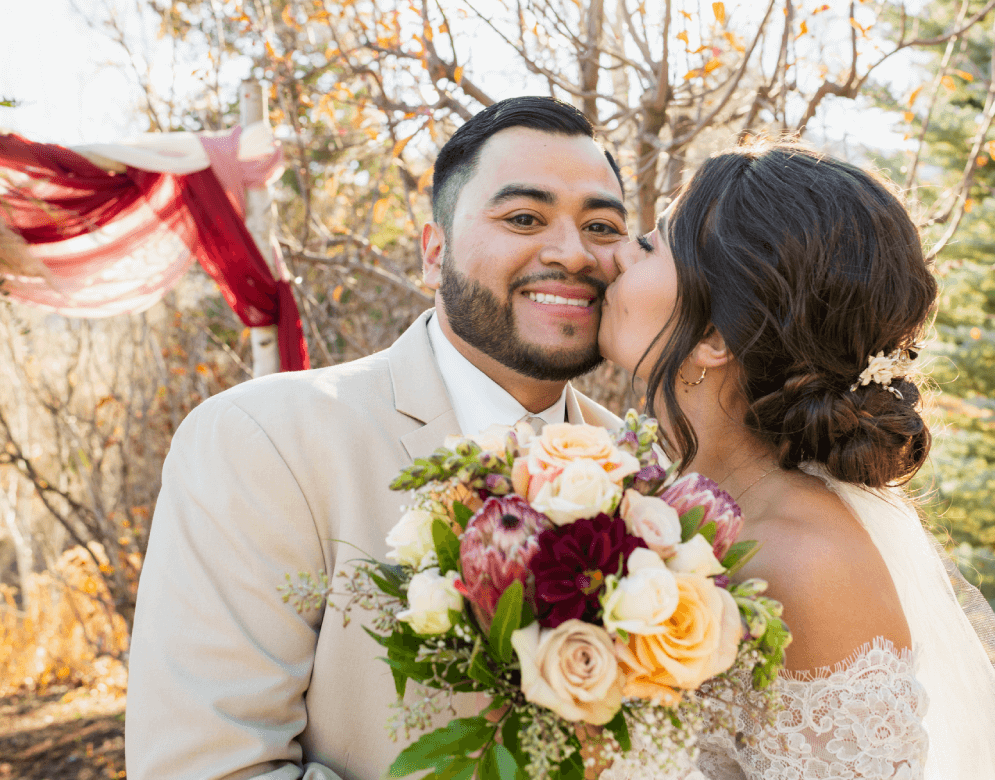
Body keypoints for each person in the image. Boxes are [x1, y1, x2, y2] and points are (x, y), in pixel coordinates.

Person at [125, 96, 630, 780]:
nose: (573, 253)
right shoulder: (263, 443)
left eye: (601, 225)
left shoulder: (650, 473)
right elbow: (212, 767)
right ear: (434, 253)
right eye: (523, 218)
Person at [597, 141, 995, 779]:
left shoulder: (808, 562)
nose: (617, 251)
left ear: (712, 339)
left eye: (651, 244)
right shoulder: (637, 481)